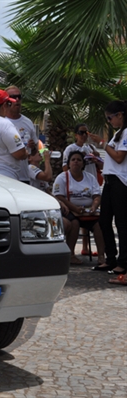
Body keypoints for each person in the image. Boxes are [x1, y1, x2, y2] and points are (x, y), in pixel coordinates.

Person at [88, 100, 127, 281]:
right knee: (104, 221)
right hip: (110, 180)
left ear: (120, 115)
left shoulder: (126, 132)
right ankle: (111, 258)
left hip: (120, 181)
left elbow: (119, 157)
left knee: (121, 222)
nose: (109, 121)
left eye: (110, 118)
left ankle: (123, 261)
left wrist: (103, 144)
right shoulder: (118, 133)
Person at [53, 151, 105, 266]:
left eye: (79, 160)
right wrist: (74, 208)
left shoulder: (90, 178)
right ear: (69, 163)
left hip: (87, 212)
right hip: (69, 210)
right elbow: (59, 196)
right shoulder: (62, 178)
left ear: (83, 164)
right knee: (74, 223)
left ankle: (101, 256)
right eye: (73, 159)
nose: (76, 161)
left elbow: (97, 196)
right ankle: (71, 255)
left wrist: (94, 207)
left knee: (99, 224)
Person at [63, 123, 104, 256]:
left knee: (92, 213)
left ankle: (87, 247)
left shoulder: (90, 148)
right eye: (81, 132)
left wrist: (96, 157)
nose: (84, 135)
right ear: (76, 135)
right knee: (77, 218)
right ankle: (78, 249)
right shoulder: (71, 149)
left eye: (86, 133)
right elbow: (65, 168)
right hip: (77, 185)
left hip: (91, 181)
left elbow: (102, 165)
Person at [5, 86, 38, 183]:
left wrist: (32, 148)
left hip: (23, 177)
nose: (17, 99)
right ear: (6, 101)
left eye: (19, 96)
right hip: (5, 176)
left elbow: (34, 152)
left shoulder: (27, 122)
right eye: (13, 97)